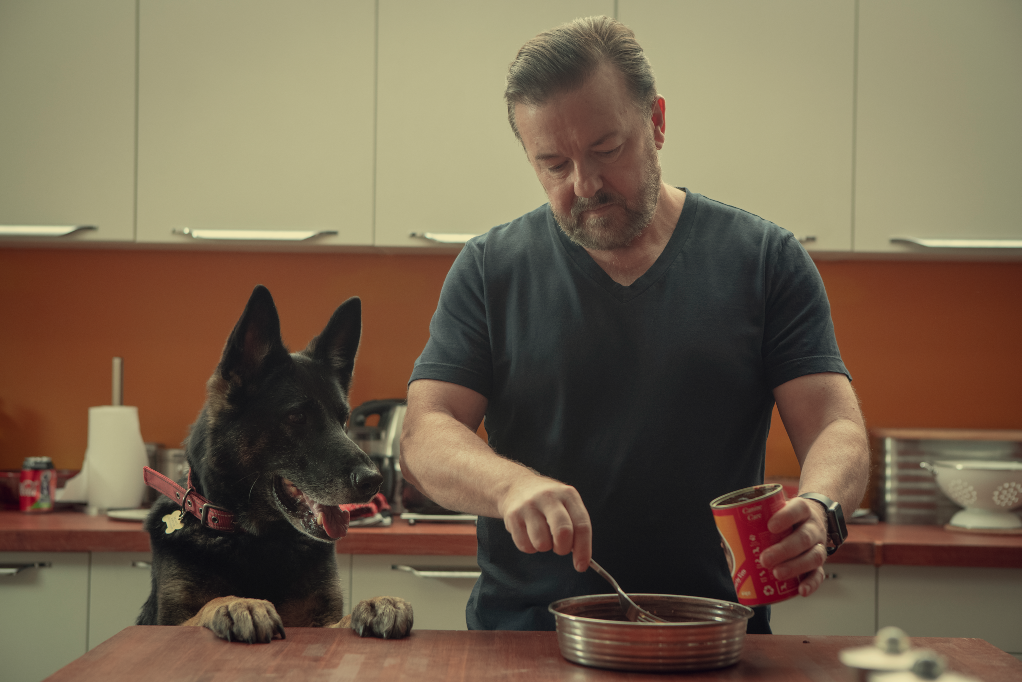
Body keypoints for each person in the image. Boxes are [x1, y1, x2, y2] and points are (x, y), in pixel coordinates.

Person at [399, 15, 869, 634]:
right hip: (525, 640)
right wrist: (508, 486)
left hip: (710, 634)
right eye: (553, 164)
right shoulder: (490, 268)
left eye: (606, 150)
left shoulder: (763, 260)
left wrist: (821, 508)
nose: (585, 184)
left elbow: (834, 423)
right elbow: (425, 433)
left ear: (657, 122)